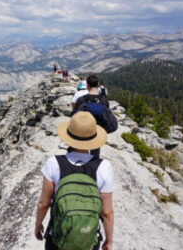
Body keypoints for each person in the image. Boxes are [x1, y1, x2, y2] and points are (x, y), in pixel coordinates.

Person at [35, 111, 114, 250]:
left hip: (58, 238)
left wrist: (38, 224)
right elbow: (107, 212)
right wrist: (108, 240)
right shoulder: (104, 167)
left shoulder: (54, 163)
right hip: (88, 237)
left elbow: (44, 203)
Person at [72, 75, 111, 158]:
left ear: (87, 86)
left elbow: (75, 114)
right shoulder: (104, 100)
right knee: (95, 151)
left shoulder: (81, 99)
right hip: (97, 129)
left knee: (81, 149)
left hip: (83, 128)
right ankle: (94, 164)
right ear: (98, 85)